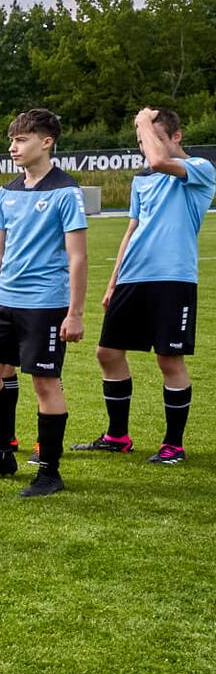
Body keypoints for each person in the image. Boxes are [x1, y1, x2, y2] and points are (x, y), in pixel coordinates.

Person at [0, 109, 88, 496]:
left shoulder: (66, 192)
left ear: (46, 142)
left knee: (45, 383)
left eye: (22, 139)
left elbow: (77, 256)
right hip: (6, 302)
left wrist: (75, 313)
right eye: (12, 140)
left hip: (46, 303)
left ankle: (49, 472)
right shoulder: (6, 192)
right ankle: (0, 454)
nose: (13, 147)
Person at [73, 106, 213, 464]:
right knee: (107, 353)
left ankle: (173, 444)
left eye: (150, 138)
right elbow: (131, 230)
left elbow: (158, 161)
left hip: (173, 278)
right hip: (133, 277)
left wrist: (142, 121)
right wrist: (113, 281)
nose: (143, 146)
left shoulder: (200, 169)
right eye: (140, 140)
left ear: (176, 137)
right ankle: (117, 435)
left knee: (169, 359)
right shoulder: (142, 180)